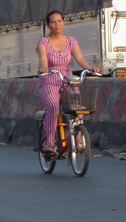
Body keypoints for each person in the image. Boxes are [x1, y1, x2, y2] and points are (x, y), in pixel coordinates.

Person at [37, 10, 101, 153]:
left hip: (67, 81)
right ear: (48, 25)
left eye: (59, 21)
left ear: (64, 23)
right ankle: (49, 144)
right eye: (53, 22)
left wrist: (91, 68)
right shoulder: (43, 43)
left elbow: (79, 58)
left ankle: (78, 137)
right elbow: (43, 60)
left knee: (79, 108)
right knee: (53, 107)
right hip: (49, 81)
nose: (57, 24)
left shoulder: (71, 41)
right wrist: (43, 68)